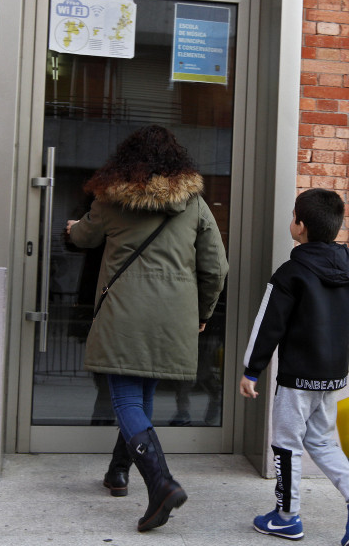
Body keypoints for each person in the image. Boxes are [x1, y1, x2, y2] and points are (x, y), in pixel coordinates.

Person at [66, 124, 228, 532]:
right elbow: (217, 266)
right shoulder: (193, 204)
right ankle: (118, 473)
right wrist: (203, 313)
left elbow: (84, 238)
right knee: (143, 396)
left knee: (125, 401)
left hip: (125, 312)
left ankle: (161, 484)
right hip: (174, 317)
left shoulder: (109, 198)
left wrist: (70, 229)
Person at [239, 188, 349, 546]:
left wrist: (251, 369)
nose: (292, 221)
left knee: (286, 444)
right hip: (332, 376)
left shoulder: (291, 273)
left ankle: (286, 517)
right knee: (320, 440)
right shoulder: (347, 270)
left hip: (296, 378)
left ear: (300, 226)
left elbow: (268, 324)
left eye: (293, 216)